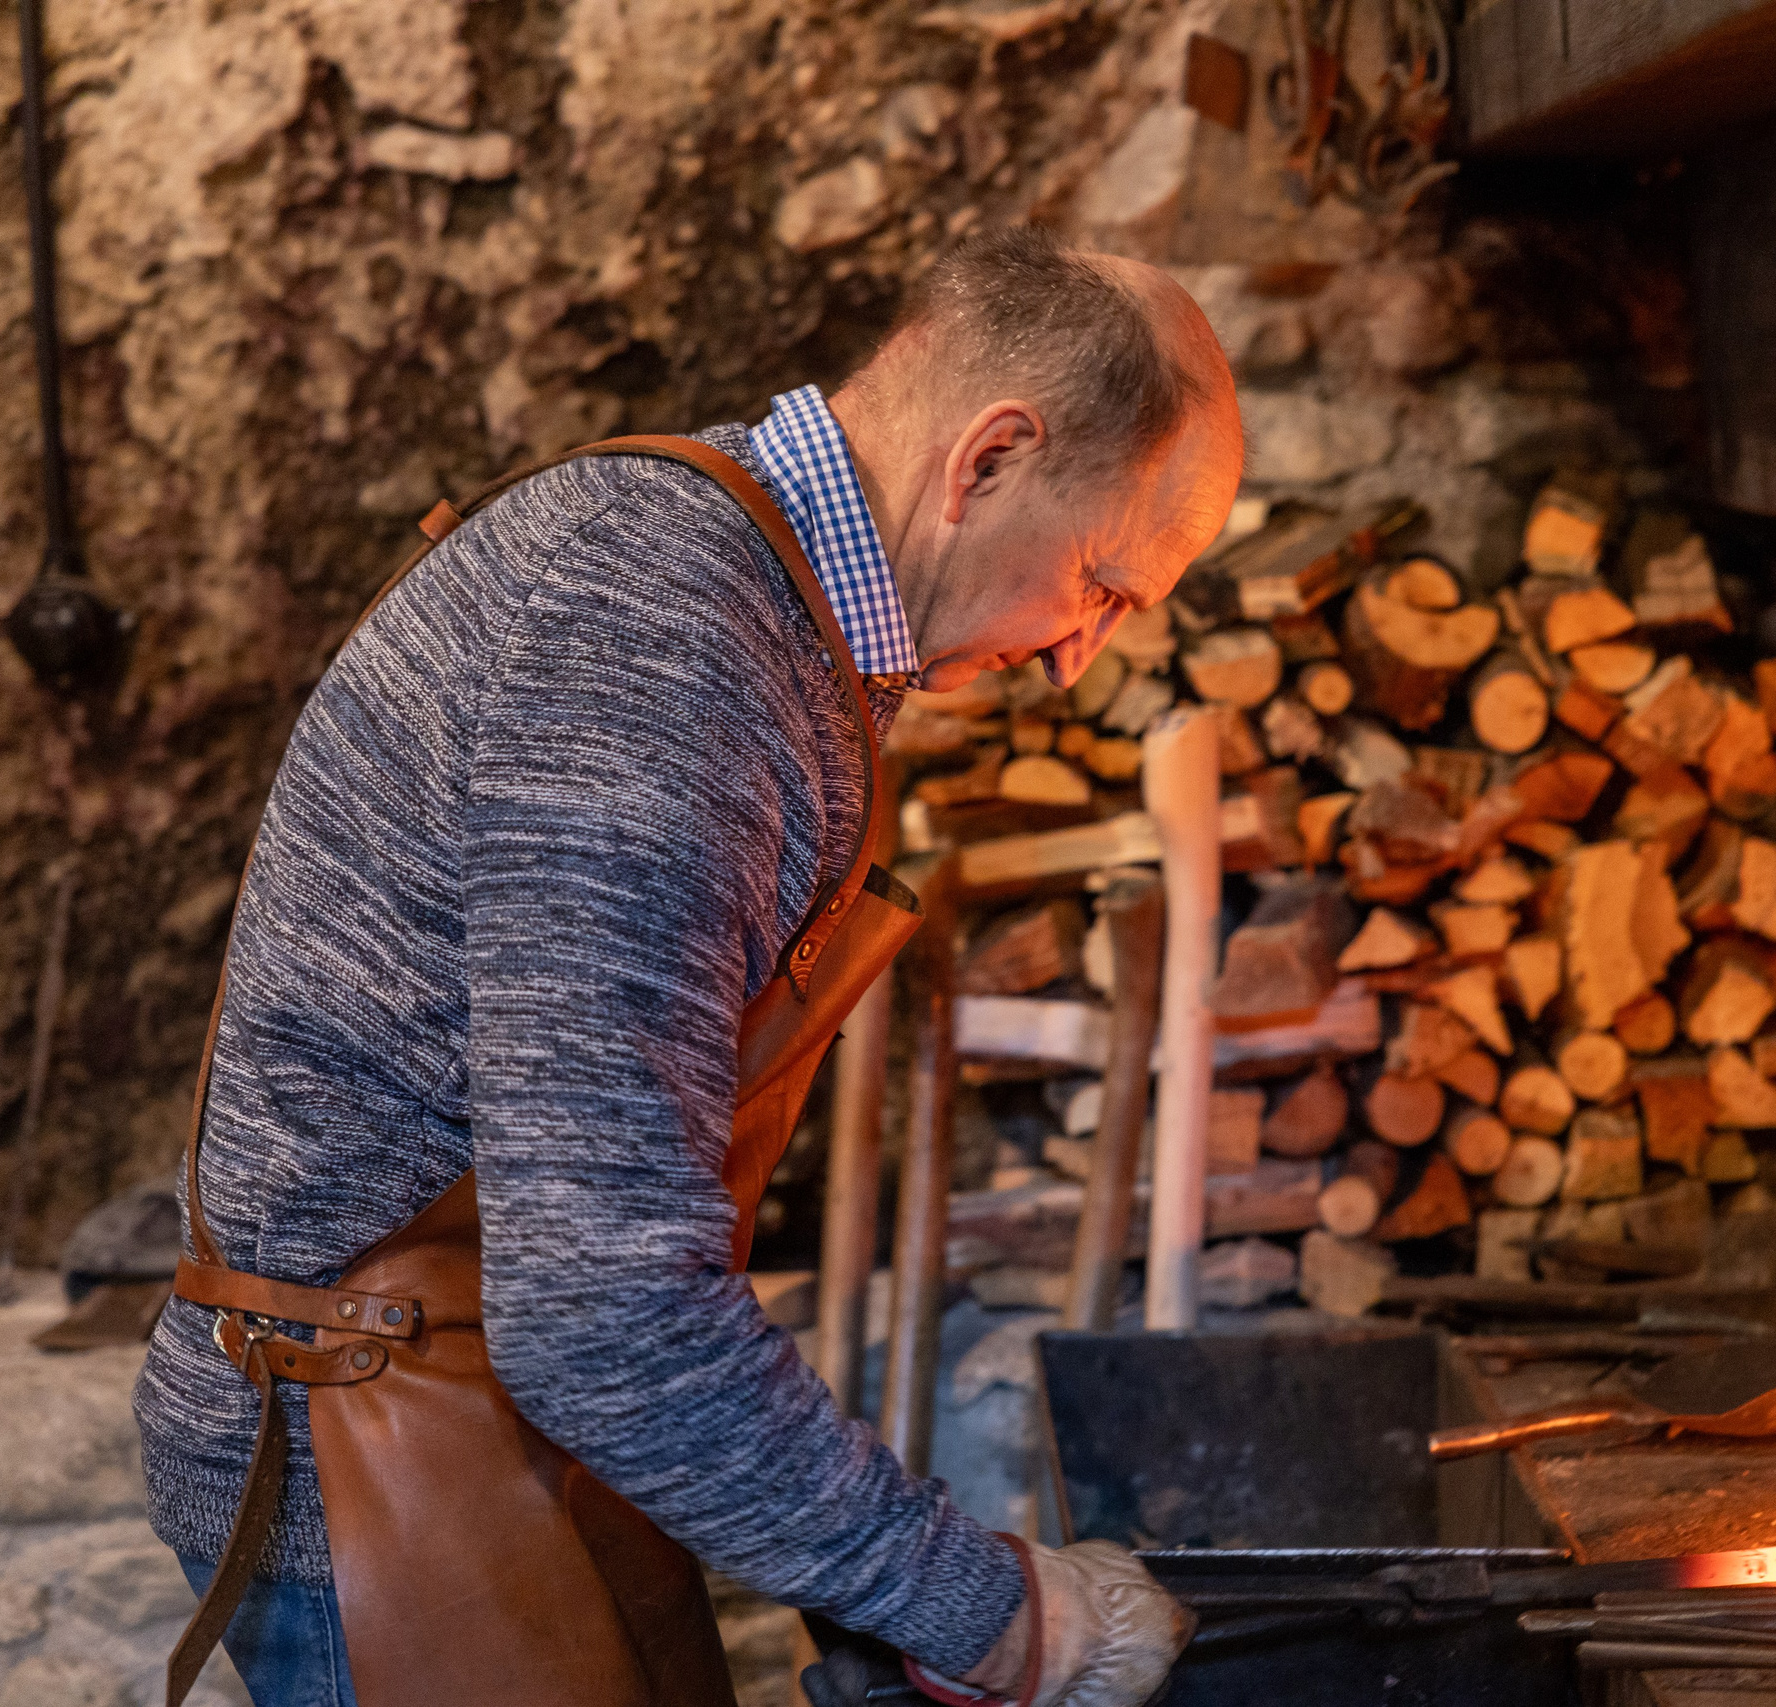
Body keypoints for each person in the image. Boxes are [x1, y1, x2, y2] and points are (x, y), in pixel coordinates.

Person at [134, 227, 1244, 1707]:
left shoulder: (757, 609)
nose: (1074, 660)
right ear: (989, 460)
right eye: (1103, 584)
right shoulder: (660, 636)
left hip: (480, 1393)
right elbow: (599, 1308)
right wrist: (996, 1612)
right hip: (368, 1437)